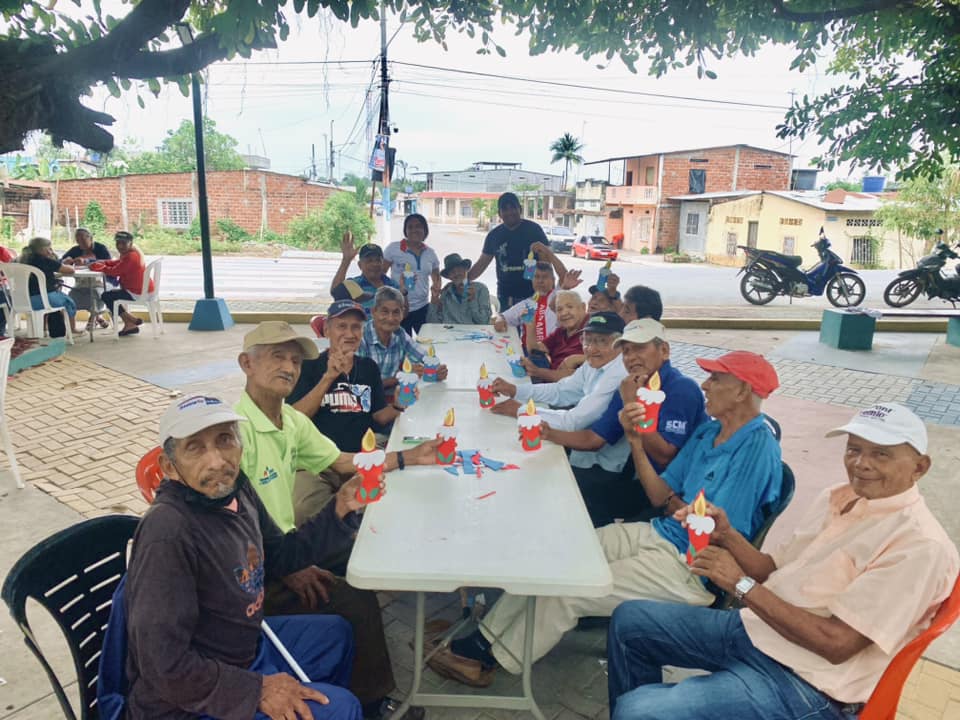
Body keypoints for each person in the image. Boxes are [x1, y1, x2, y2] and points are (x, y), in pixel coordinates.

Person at [429, 350, 783, 688]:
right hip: (662, 532)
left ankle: (487, 658)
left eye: (716, 379)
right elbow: (659, 496)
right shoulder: (708, 432)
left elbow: (716, 532)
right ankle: (484, 638)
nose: (705, 385)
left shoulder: (756, 446)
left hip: (691, 565)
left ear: (742, 391)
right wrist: (635, 441)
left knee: (574, 587)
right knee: (563, 552)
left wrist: (675, 504)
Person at [607, 402, 959, 720]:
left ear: (920, 467)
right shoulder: (837, 498)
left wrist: (740, 585)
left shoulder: (919, 546)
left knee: (639, 710)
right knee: (629, 621)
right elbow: (774, 570)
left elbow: (836, 645)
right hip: (761, 632)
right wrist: (726, 534)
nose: (861, 463)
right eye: (854, 449)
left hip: (809, 683)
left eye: (881, 454)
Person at [234, 320, 439, 719]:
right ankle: (372, 705)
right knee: (356, 599)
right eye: (277, 357)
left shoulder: (289, 420)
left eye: (295, 360)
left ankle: (346, 679)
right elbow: (234, 531)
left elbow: (342, 461)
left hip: (288, 548)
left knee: (362, 552)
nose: (289, 367)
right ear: (247, 364)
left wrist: (409, 457)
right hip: (257, 574)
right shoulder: (236, 435)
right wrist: (287, 568)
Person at [120, 395, 366, 720]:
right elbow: (162, 665)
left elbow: (279, 555)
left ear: (240, 444)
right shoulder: (168, 533)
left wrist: (339, 509)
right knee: (342, 708)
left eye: (225, 440)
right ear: (169, 467)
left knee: (335, 635)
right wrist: (258, 690)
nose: (217, 461)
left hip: (242, 648)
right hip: (186, 701)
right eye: (195, 448)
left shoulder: (237, 488)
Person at [543, 318, 707, 527]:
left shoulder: (681, 389)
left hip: (673, 496)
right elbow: (595, 438)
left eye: (639, 348)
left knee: (583, 505)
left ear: (664, 350)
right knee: (566, 489)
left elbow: (664, 456)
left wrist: (631, 402)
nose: (631, 357)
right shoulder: (632, 384)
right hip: (641, 480)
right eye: (626, 351)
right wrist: (547, 433)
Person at [288, 300, 409, 527]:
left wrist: (398, 406)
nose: (350, 334)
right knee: (303, 510)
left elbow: (377, 416)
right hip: (318, 464)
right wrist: (328, 377)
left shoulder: (368, 367)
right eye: (341, 326)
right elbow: (294, 420)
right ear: (327, 330)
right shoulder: (309, 366)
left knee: (393, 500)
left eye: (356, 327)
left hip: (360, 458)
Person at [489, 311, 628, 431]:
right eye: (587, 340)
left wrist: (519, 410)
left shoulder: (618, 374)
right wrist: (515, 390)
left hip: (592, 451)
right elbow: (561, 391)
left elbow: (573, 421)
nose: (591, 348)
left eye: (601, 341)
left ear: (620, 344)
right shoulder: (595, 362)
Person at [468, 192, 568, 309]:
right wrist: (462, 279)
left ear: (520, 209)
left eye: (513, 208)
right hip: (505, 299)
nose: (509, 212)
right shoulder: (494, 236)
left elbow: (546, 265)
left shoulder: (534, 230)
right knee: (506, 321)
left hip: (533, 298)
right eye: (505, 209)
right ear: (499, 213)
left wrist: (548, 295)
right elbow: (481, 264)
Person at [357, 286, 447, 396]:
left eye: (396, 312)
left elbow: (424, 357)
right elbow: (360, 386)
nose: (390, 318)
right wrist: (401, 377)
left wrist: (436, 369)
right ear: (373, 311)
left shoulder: (399, 333)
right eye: (385, 312)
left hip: (393, 395)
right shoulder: (360, 339)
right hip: (364, 401)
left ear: (402, 313)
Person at [383, 213, 440, 334]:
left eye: (418, 226)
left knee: (427, 341)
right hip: (398, 307)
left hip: (423, 307)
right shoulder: (393, 249)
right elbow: (381, 275)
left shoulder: (430, 253)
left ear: (425, 230)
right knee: (401, 344)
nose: (414, 230)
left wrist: (436, 289)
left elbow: (436, 276)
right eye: (410, 227)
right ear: (405, 231)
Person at [18, 236, 84, 338]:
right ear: (42, 249)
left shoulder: (20, 260)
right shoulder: (45, 260)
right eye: (49, 248)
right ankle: (72, 329)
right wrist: (67, 264)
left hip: (23, 300)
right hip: (44, 300)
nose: (51, 251)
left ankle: (44, 329)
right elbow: (70, 270)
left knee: (52, 300)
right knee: (69, 302)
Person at [90, 230, 152, 337]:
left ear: (130, 243)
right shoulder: (131, 254)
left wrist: (98, 267)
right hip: (142, 289)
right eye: (118, 243)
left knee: (107, 296)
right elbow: (117, 263)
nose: (120, 246)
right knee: (110, 295)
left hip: (137, 292)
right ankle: (131, 321)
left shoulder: (131, 257)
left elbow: (115, 271)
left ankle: (130, 322)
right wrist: (104, 262)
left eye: (123, 243)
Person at [522, 289, 586, 382]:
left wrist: (574, 359)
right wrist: (530, 324)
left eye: (570, 307)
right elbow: (534, 350)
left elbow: (606, 358)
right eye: (559, 310)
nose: (564, 313)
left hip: (566, 385)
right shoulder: (561, 330)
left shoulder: (593, 327)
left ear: (583, 307)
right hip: (548, 377)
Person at [330, 233, 398, 317]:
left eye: (378, 260)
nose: (374, 264)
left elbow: (403, 312)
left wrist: (404, 294)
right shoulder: (354, 284)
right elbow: (335, 292)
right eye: (369, 261)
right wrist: (346, 260)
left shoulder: (392, 285)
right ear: (360, 265)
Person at [61, 227, 112, 325]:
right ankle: (96, 317)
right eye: (78, 241)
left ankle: (94, 317)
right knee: (73, 295)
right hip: (81, 282)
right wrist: (65, 261)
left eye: (83, 240)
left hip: (100, 282)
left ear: (91, 238)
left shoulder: (100, 248)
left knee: (95, 293)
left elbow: (108, 262)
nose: (80, 243)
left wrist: (87, 260)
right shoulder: (75, 250)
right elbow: (60, 261)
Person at [426, 253, 492, 325]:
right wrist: (434, 300)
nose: (457, 273)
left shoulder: (481, 289)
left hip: (474, 332)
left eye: (459, 269)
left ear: (466, 270)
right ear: (449, 277)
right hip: (449, 331)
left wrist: (472, 301)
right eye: (452, 272)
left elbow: (484, 322)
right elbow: (432, 323)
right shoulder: (445, 293)